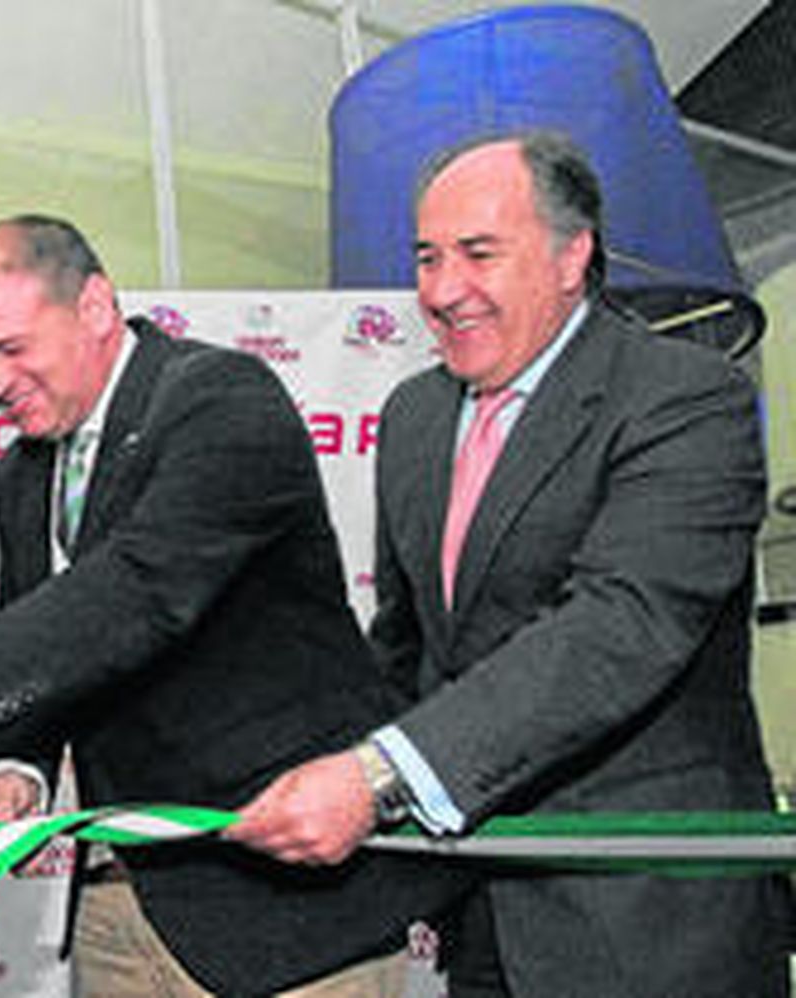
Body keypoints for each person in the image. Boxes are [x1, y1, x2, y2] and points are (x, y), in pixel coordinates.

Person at [0, 216, 465, 995]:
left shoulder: (221, 398)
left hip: (289, 913)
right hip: (119, 907)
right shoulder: (22, 475)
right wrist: (17, 772)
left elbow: (141, 589)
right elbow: (47, 652)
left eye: (11, 348)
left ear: (95, 306)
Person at [225, 131, 791, 997]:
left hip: (650, 927)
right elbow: (409, 650)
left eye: (479, 253)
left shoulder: (684, 396)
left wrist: (378, 775)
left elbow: (620, 626)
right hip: (482, 913)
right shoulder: (415, 416)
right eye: (427, 258)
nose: (443, 289)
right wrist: (286, 763)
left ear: (572, 256)